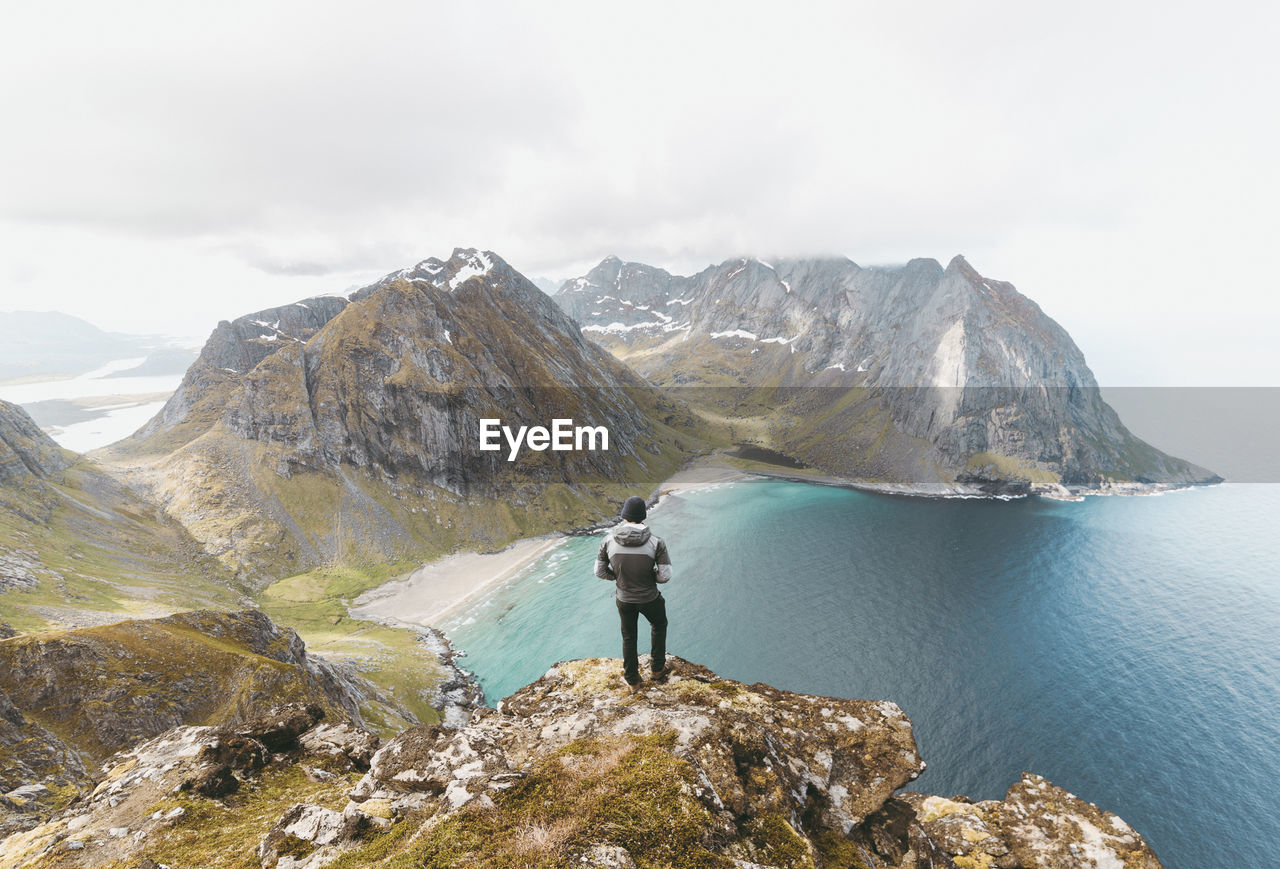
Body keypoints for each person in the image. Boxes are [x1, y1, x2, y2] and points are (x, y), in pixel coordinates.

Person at [595, 495, 671, 688]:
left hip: (624, 599)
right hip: (649, 598)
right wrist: (650, 575)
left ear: (624, 516)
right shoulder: (656, 542)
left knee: (629, 637)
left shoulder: (608, 541)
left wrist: (618, 577)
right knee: (659, 625)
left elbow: (599, 572)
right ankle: (657, 669)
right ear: (643, 516)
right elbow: (664, 576)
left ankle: (632, 680)